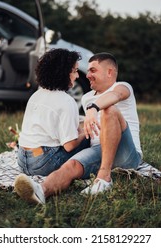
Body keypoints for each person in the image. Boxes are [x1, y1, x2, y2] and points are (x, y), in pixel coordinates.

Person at [14, 52, 142, 203]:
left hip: (125, 151)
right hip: (98, 150)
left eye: (93, 70)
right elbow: (84, 126)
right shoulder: (86, 97)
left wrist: (94, 108)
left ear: (110, 72)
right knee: (71, 165)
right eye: (87, 70)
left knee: (109, 110)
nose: (87, 75)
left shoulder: (122, 87)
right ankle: (41, 191)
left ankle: (104, 178)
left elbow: (116, 96)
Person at [16, 48, 90, 182]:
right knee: (90, 139)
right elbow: (69, 145)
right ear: (63, 73)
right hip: (42, 164)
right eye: (74, 71)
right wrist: (86, 133)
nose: (78, 76)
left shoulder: (36, 95)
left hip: (22, 160)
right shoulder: (66, 100)